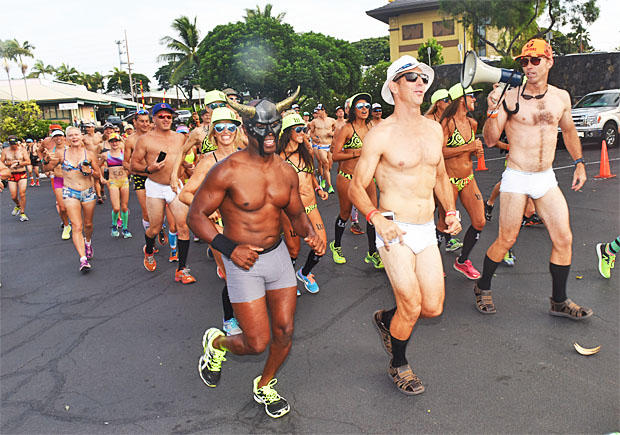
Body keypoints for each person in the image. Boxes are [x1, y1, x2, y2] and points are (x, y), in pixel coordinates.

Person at [190, 90, 325, 419]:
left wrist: (311, 234)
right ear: (246, 129)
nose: (268, 134)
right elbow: (195, 216)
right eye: (260, 128)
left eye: (273, 125)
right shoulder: (227, 170)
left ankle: (264, 384)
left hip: (277, 257)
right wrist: (229, 249)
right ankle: (216, 343)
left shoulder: (285, 171)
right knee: (255, 343)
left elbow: (296, 213)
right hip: (243, 261)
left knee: (285, 332)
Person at [350, 55, 461, 395]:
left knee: (432, 307)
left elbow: (440, 176)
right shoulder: (380, 134)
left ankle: (387, 319)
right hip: (393, 228)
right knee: (411, 304)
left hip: (426, 228)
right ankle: (399, 364)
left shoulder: (433, 129)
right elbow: (356, 187)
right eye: (411, 78)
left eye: (423, 78)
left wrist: (451, 211)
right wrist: (375, 218)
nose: (420, 83)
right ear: (394, 87)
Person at [478, 38, 591, 319]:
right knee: (506, 239)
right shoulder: (510, 96)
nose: (529, 66)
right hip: (517, 176)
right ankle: (482, 286)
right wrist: (492, 109)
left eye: (535, 60)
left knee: (564, 238)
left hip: (545, 177)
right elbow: (490, 140)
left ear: (549, 61)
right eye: (525, 61)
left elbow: (569, 131)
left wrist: (579, 163)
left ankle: (559, 301)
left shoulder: (560, 97)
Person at [176, 107, 242, 326]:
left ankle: (248, 312)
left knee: (249, 273)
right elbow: (186, 194)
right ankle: (229, 319)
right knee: (232, 275)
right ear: (213, 132)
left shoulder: (246, 157)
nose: (226, 131)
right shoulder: (207, 161)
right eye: (220, 127)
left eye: (230, 127)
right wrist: (207, 210)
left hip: (245, 225)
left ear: (237, 130)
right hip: (220, 227)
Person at [130, 103, 187, 276]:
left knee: (183, 227)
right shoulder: (145, 140)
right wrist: (149, 169)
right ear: (154, 119)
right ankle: (149, 250)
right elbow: (133, 165)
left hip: (174, 185)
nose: (166, 119)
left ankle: (182, 270)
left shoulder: (180, 138)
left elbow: (182, 158)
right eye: (161, 116)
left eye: (169, 116)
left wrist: (188, 167)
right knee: (154, 228)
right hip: (155, 186)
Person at [437, 83, 485, 279]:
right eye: (472, 96)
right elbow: (439, 152)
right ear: (461, 99)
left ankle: (462, 261)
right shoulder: (447, 123)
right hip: (448, 181)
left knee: (480, 221)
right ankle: (433, 264)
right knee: (443, 224)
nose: (475, 99)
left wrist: (476, 151)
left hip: (468, 179)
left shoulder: (472, 123)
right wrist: (468, 147)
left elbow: (469, 152)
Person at [278, 113, 328, 295]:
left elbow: (311, 175)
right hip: (291, 212)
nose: (303, 133)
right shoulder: (278, 159)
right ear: (287, 132)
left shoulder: (306, 152)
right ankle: (287, 282)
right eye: (298, 130)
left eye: (304, 129)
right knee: (293, 250)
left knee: (321, 246)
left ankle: (304, 273)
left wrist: (318, 189)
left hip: (312, 207)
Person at [330, 93, 382, 268]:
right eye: (360, 106)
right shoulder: (346, 129)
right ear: (353, 110)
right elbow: (335, 156)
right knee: (345, 214)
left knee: (372, 215)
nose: (365, 109)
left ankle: (372, 253)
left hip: (367, 178)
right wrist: (356, 152)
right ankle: (336, 246)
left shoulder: (372, 127)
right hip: (347, 178)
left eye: (367, 106)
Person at [42, 127, 104, 272]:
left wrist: (90, 171)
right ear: (67, 138)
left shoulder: (89, 154)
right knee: (76, 226)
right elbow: (47, 169)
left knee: (88, 224)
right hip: (70, 192)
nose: (74, 137)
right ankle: (83, 259)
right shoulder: (61, 154)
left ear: (81, 136)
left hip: (88, 192)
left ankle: (88, 242)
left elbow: (98, 175)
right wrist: (45, 161)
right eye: (70, 135)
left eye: (76, 134)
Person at [39, 127, 72, 239]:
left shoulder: (70, 149)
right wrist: (45, 160)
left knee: (73, 205)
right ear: (52, 139)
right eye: (55, 136)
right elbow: (45, 168)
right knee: (62, 207)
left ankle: (74, 224)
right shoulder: (51, 152)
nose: (58, 138)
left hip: (71, 180)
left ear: (64, 137)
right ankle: (66, 226)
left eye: (60, 136)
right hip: (59, 180)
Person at [124, 110, 151, 234]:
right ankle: (150, 239)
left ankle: (158, 226)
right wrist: (135, 171)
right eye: (142, 121)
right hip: (140, 178)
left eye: (147, 121)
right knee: (146, 212)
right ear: (135, 122)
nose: (145, 124)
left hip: (157, 176)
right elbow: (125, 162)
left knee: (159, 211)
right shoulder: (130, 140)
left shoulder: (155, 136)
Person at [101, 133, 132, 238]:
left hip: (124, 182)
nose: (114, 143)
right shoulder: (106, 155)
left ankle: (125, 228)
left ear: (120, 142)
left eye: (116, 141)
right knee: (116, 208)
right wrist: (101, 177)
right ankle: (114, 225)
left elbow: (130, 166)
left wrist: (128, 173)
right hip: (113, 182)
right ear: (109, 143)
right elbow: (97, 165)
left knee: (124, 207)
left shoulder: (125, 154)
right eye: (112, 141)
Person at [308, 103, 336, 193]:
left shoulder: (332, 120)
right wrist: (314, 138)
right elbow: (311, 133)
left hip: (329, 145)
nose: (318, 112)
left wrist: (333, 133)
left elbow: (337, 130)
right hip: (320, 146)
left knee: (329, 167)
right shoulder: (314, 122)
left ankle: (323, 179)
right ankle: (330, 186)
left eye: (319, 110)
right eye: (317, 110)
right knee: (325, 163)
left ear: (324, 110)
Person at [2, 136, 31, 221]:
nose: (13, 146)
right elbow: (1, 163)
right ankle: (18, 205)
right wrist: (10, 163)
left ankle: (22, 212)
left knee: (22, 194)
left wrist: (18, 163)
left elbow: (28, 161)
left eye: (14, 144)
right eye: (11, 144)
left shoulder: (22, 150)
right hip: (11, 174)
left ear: (17, 143)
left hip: (22, 173)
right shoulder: (5, 151)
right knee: (13, 196)